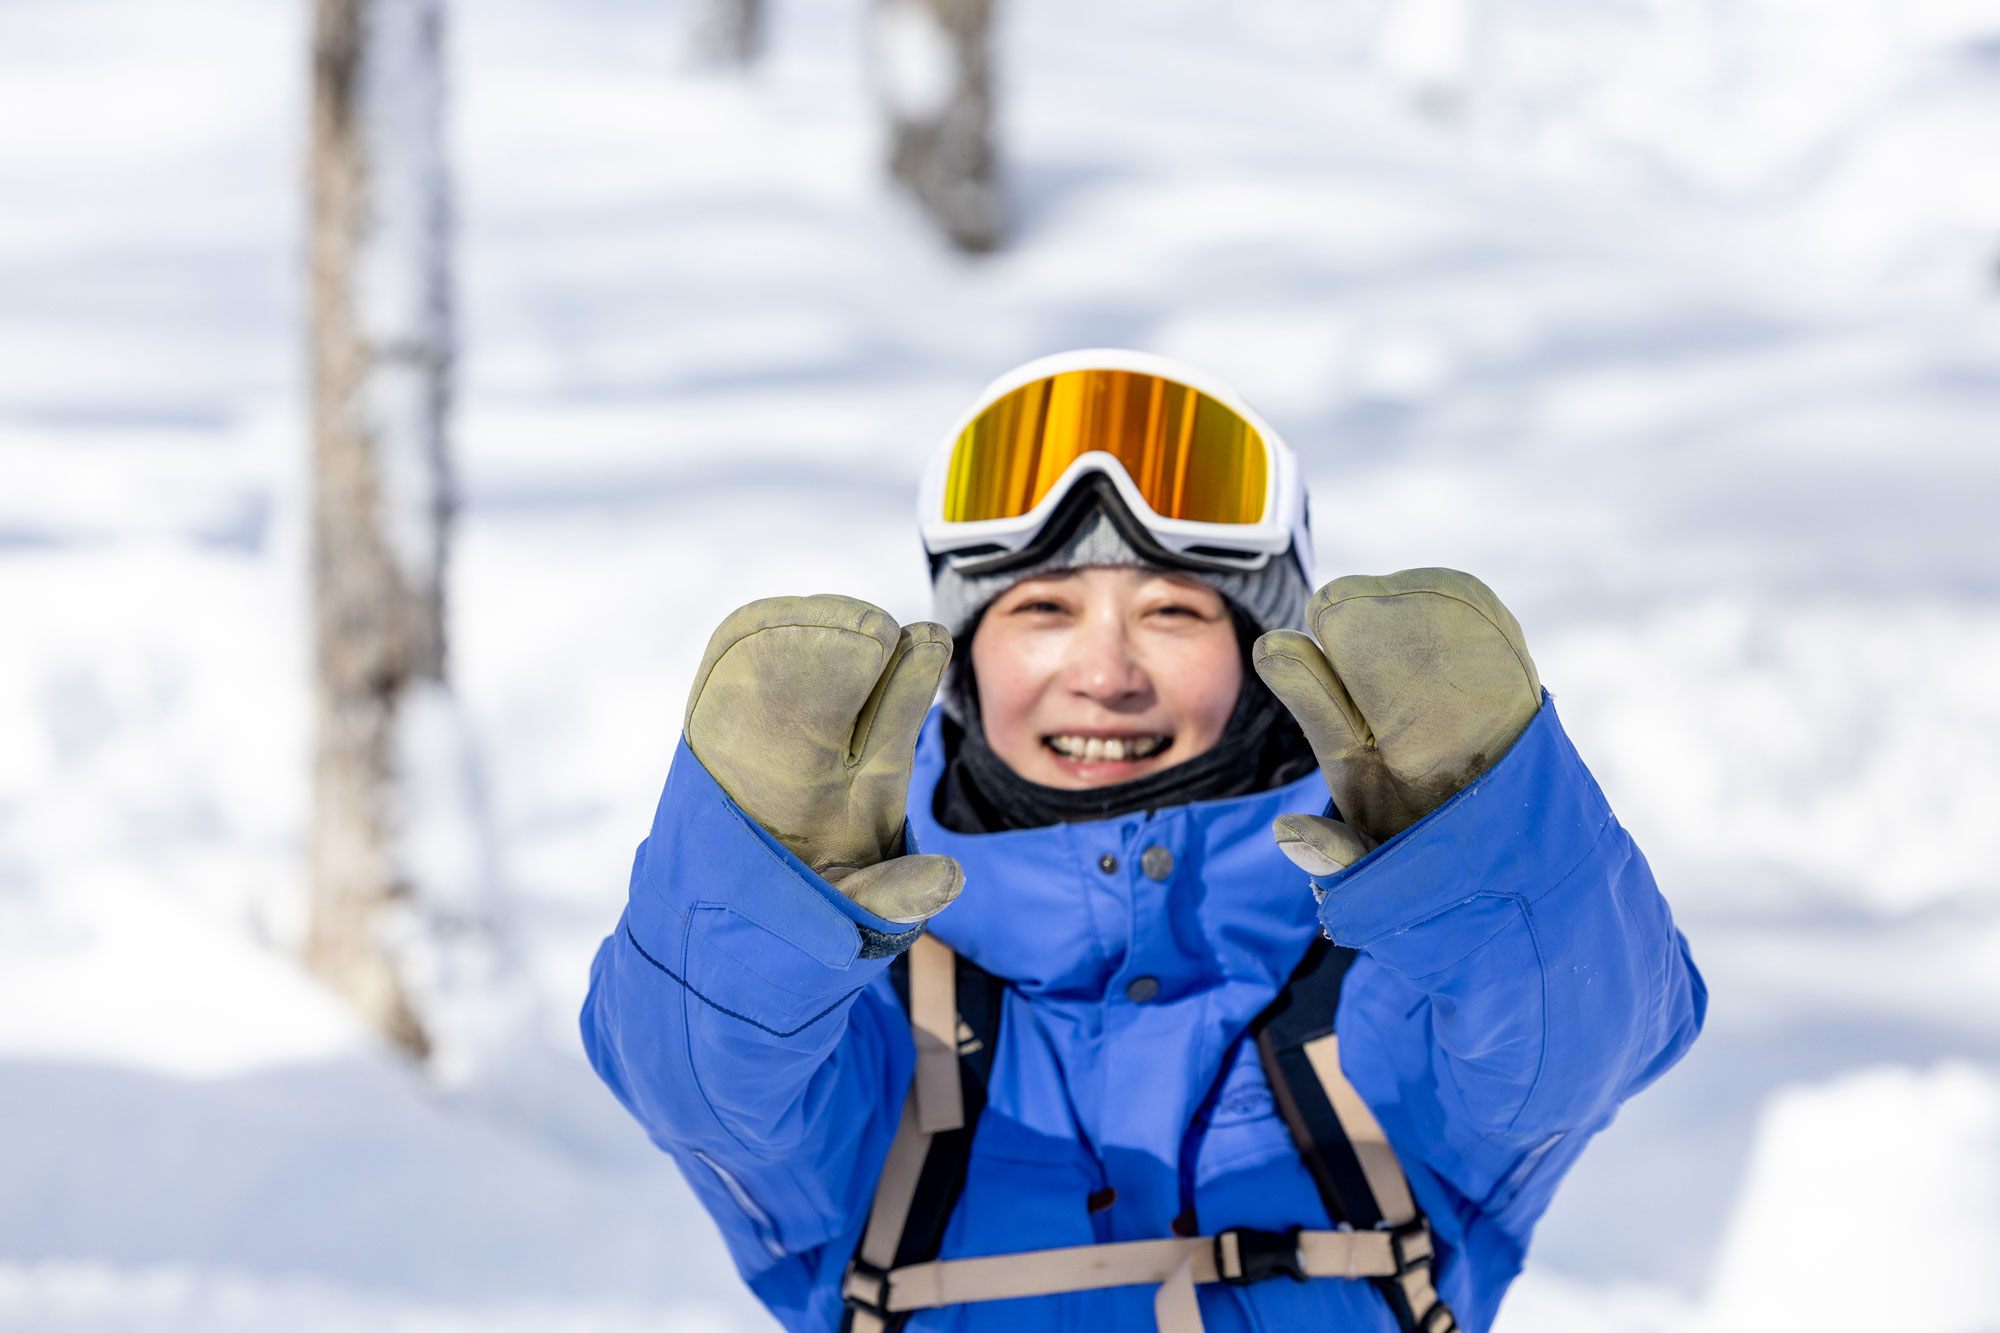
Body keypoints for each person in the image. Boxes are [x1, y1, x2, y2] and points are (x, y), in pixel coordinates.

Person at [581, 350, 1705, 1333]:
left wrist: (1479, 846)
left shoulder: (1389, 998)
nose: (1106, 673)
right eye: (1040, 610)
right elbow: (691, 1077)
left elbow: (1585, 1029)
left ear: (1265, 658)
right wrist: (767, 895)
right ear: (964, 664)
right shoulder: (866, 1033)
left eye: (1171, 611)